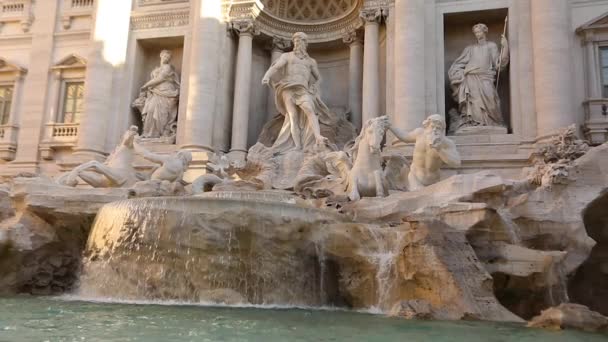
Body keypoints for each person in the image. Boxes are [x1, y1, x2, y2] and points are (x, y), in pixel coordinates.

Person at [262, 32, 338, 153]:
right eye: (296, 41)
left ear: (305, 43)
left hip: (302, 89)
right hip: (288, 88)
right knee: (293, 117)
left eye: (300, 40)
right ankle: (297, 145)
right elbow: (276, 67)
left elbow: (319, 78)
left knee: (309, 109)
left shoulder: (311, 61)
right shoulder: (287, 56)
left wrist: (314, 86)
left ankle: (318, 136)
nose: (297, 43)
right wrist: (267, 76)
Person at [448, 23, 509, 128]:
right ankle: (474, 123)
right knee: (474, 102)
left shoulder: (491, 46)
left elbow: (499, 64)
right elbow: (458, 64)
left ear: (485, 32)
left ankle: (492, 122)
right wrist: (460, 74)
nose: (477, 34)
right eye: (475, 32)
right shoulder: (470, 49)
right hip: (471, 78)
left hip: (486, 77)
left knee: (491, 100)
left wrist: (505, 47)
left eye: (479, 31)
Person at [389, 115, 461, 191]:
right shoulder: (419, 134)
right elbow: (405, 137)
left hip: (433, 181)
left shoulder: (446, 143)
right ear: (427, 126)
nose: (434, 130)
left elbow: (456, 163)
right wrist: (390, 126)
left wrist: (440, 150)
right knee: (417, 195)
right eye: (432, 127)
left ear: (442, 130)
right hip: (415, 177)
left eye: (438, 128)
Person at [135, 50, 180, 139]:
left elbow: (161, 78)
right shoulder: (155, 69)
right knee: (151, 110)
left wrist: (146, 85)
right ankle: (148, 133)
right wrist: (148, 89)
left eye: (168, 57)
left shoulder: (168, 68)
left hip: (166, 91)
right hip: (155, 92)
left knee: (162, 113)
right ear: (161, 56)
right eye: (165, 56)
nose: (166, 58)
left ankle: (160, 133)